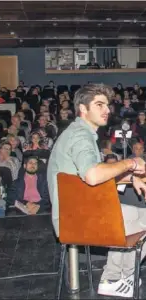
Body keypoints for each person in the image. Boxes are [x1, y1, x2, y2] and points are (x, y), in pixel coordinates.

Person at [47, 83, 146, 298]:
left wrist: (129, 178)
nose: (107, 110)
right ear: (83, 108)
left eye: (107, 105)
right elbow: (92, 176)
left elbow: (91, 176)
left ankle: (116, 277)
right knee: (138, 218)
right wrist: (131, 164)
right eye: (99, 105)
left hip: (77, 212)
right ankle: (116, 277)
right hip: (76, 219)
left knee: (139, 216)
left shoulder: (79, 132)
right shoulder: (80, 136)